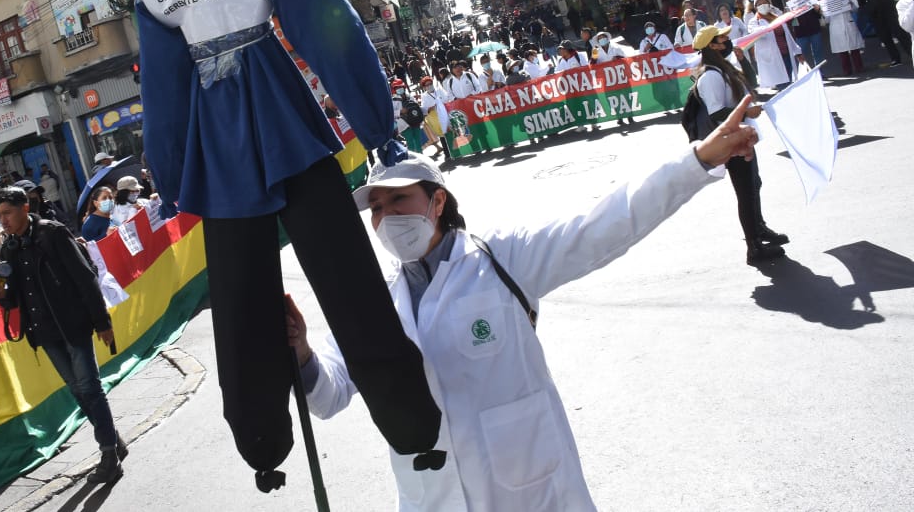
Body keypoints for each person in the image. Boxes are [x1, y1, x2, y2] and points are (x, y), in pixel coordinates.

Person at [114, 0, 441, 486]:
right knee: (240, 300)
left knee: (346, 277)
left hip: (283, 126)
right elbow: (165, 96)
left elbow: (334, 35)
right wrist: (173, 175)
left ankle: (410, 421)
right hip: (226, 151)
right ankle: (263, 441)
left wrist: (378, 127)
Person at [286, 106, 760, 510]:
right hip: (434, 495)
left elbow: (603, 226)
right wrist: (303, 352)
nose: (388, 216)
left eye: (400, 199)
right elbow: (328, 395)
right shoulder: (373, 300)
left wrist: (696, 162)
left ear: (437, 201)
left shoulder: (501, 260)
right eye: (378, 208)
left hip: (530, 490)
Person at [0, 187, 125, 484]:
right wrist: (0, 293)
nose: (4, 220)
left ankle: (108, 454)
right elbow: (14, 300)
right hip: (45, 333)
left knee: (89, 387)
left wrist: (101, 321)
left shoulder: (52, 233)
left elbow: (84, 277)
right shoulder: (8, 248)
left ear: (24, 208)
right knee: (78, 390)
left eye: (7, 213)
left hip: (73, 325)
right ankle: (114, 442)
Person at [691, 25, 788, 263]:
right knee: (745, 191)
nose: (728, 40)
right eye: (722, 38)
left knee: (754, 184)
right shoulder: (711, 76)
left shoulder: (724, 69)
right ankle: (753, 246)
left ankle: (759, 228)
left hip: (742, 138)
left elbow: (749, 86)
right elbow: (717, 113)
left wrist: (744, 62)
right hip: (731, 144)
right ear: (712, 46)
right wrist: (745, 111)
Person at [746, 0, 804, 90]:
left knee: (789, 82)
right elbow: (755, 32)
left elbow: (788, 36)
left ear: (769, 4)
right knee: (782, 85)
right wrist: (769, 27)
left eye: (765, 2)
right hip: (772, 59)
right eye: (759, 4)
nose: (763, 5)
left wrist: (797, 51)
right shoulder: (754, 22)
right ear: (756, 8)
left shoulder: (777, 17)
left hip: (786, 54)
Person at [822, 0, 864, 75]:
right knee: (842, 51)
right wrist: (823, 12)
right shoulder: (825, 3)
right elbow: (827, 20)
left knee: (854, 48)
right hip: (836, 28)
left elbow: (854, 9)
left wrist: (850, 4)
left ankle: (859, 67)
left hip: (848, 23)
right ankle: (847, 70)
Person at [788, 0, 826, 69]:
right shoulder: (790, 5)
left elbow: (818, 15)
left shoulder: (810, 0)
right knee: (801, 54)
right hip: (800, 33)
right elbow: (791, 21)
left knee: (818, 52)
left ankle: (820, 72)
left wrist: (817, 9)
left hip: (814, 30)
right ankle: (804, 72)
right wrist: (789, 13)